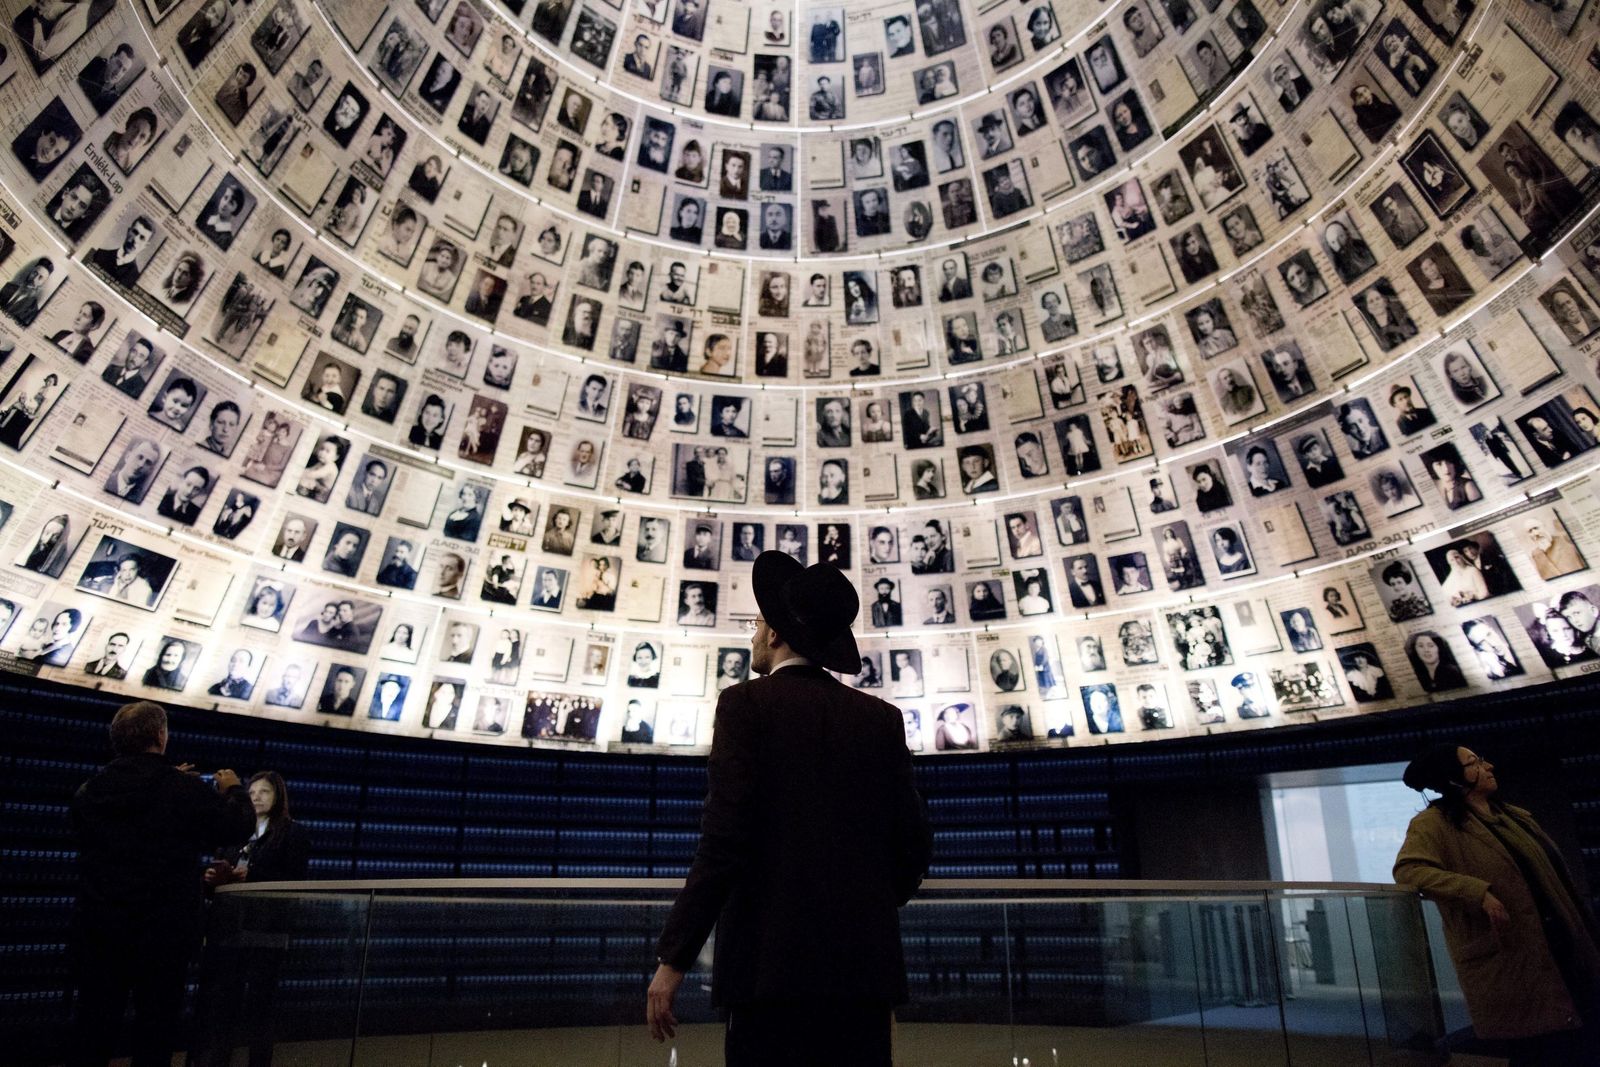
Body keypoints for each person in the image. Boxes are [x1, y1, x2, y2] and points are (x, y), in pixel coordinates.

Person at [649, 553, 932, 1064]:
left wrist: (674, 959)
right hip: (864, 977)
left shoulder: (744, 706)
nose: (754, 634)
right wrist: (862, 908)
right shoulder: (882, 720)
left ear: (776, 634)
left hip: (768, 975)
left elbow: (723, 843)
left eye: (758, 624)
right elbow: (913, 847)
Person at [67, 701, 253, 1067]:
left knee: (93, 1030)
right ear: (161, 736)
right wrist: (233, 790)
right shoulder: (183, 790)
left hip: (99, 930)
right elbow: (236, 826)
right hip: (164, 935)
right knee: (155, 1030)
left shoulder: (89, 791)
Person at [1394, 744, 1600, 1065]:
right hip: (1512, 960)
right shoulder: (1434, 823)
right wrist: (1477, 892)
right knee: (1540, 1048)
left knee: (1577, 1042)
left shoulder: (1513, 816)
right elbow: (1410, 871)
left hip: (1561, 950)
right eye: (1474, 762)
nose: (1488, 766)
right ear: (1453, 778)